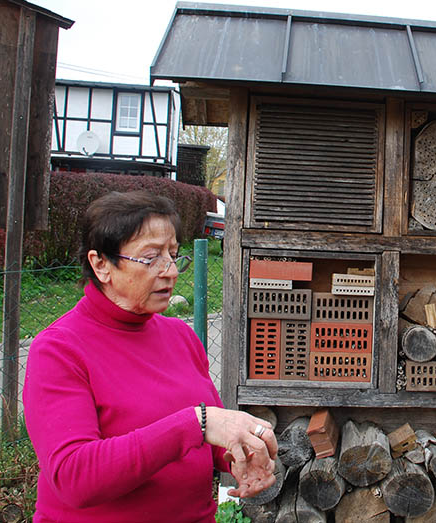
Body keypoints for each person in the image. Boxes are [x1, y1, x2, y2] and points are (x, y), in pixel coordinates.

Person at [23, 190, 277, 522]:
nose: (170, 270)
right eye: (151, 257)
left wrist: (237, 453)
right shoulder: (58, 350)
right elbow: (75, 478)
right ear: (101, 265)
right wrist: (197, 423)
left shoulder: (181, 336)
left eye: (173, 255)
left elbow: (207, 437)